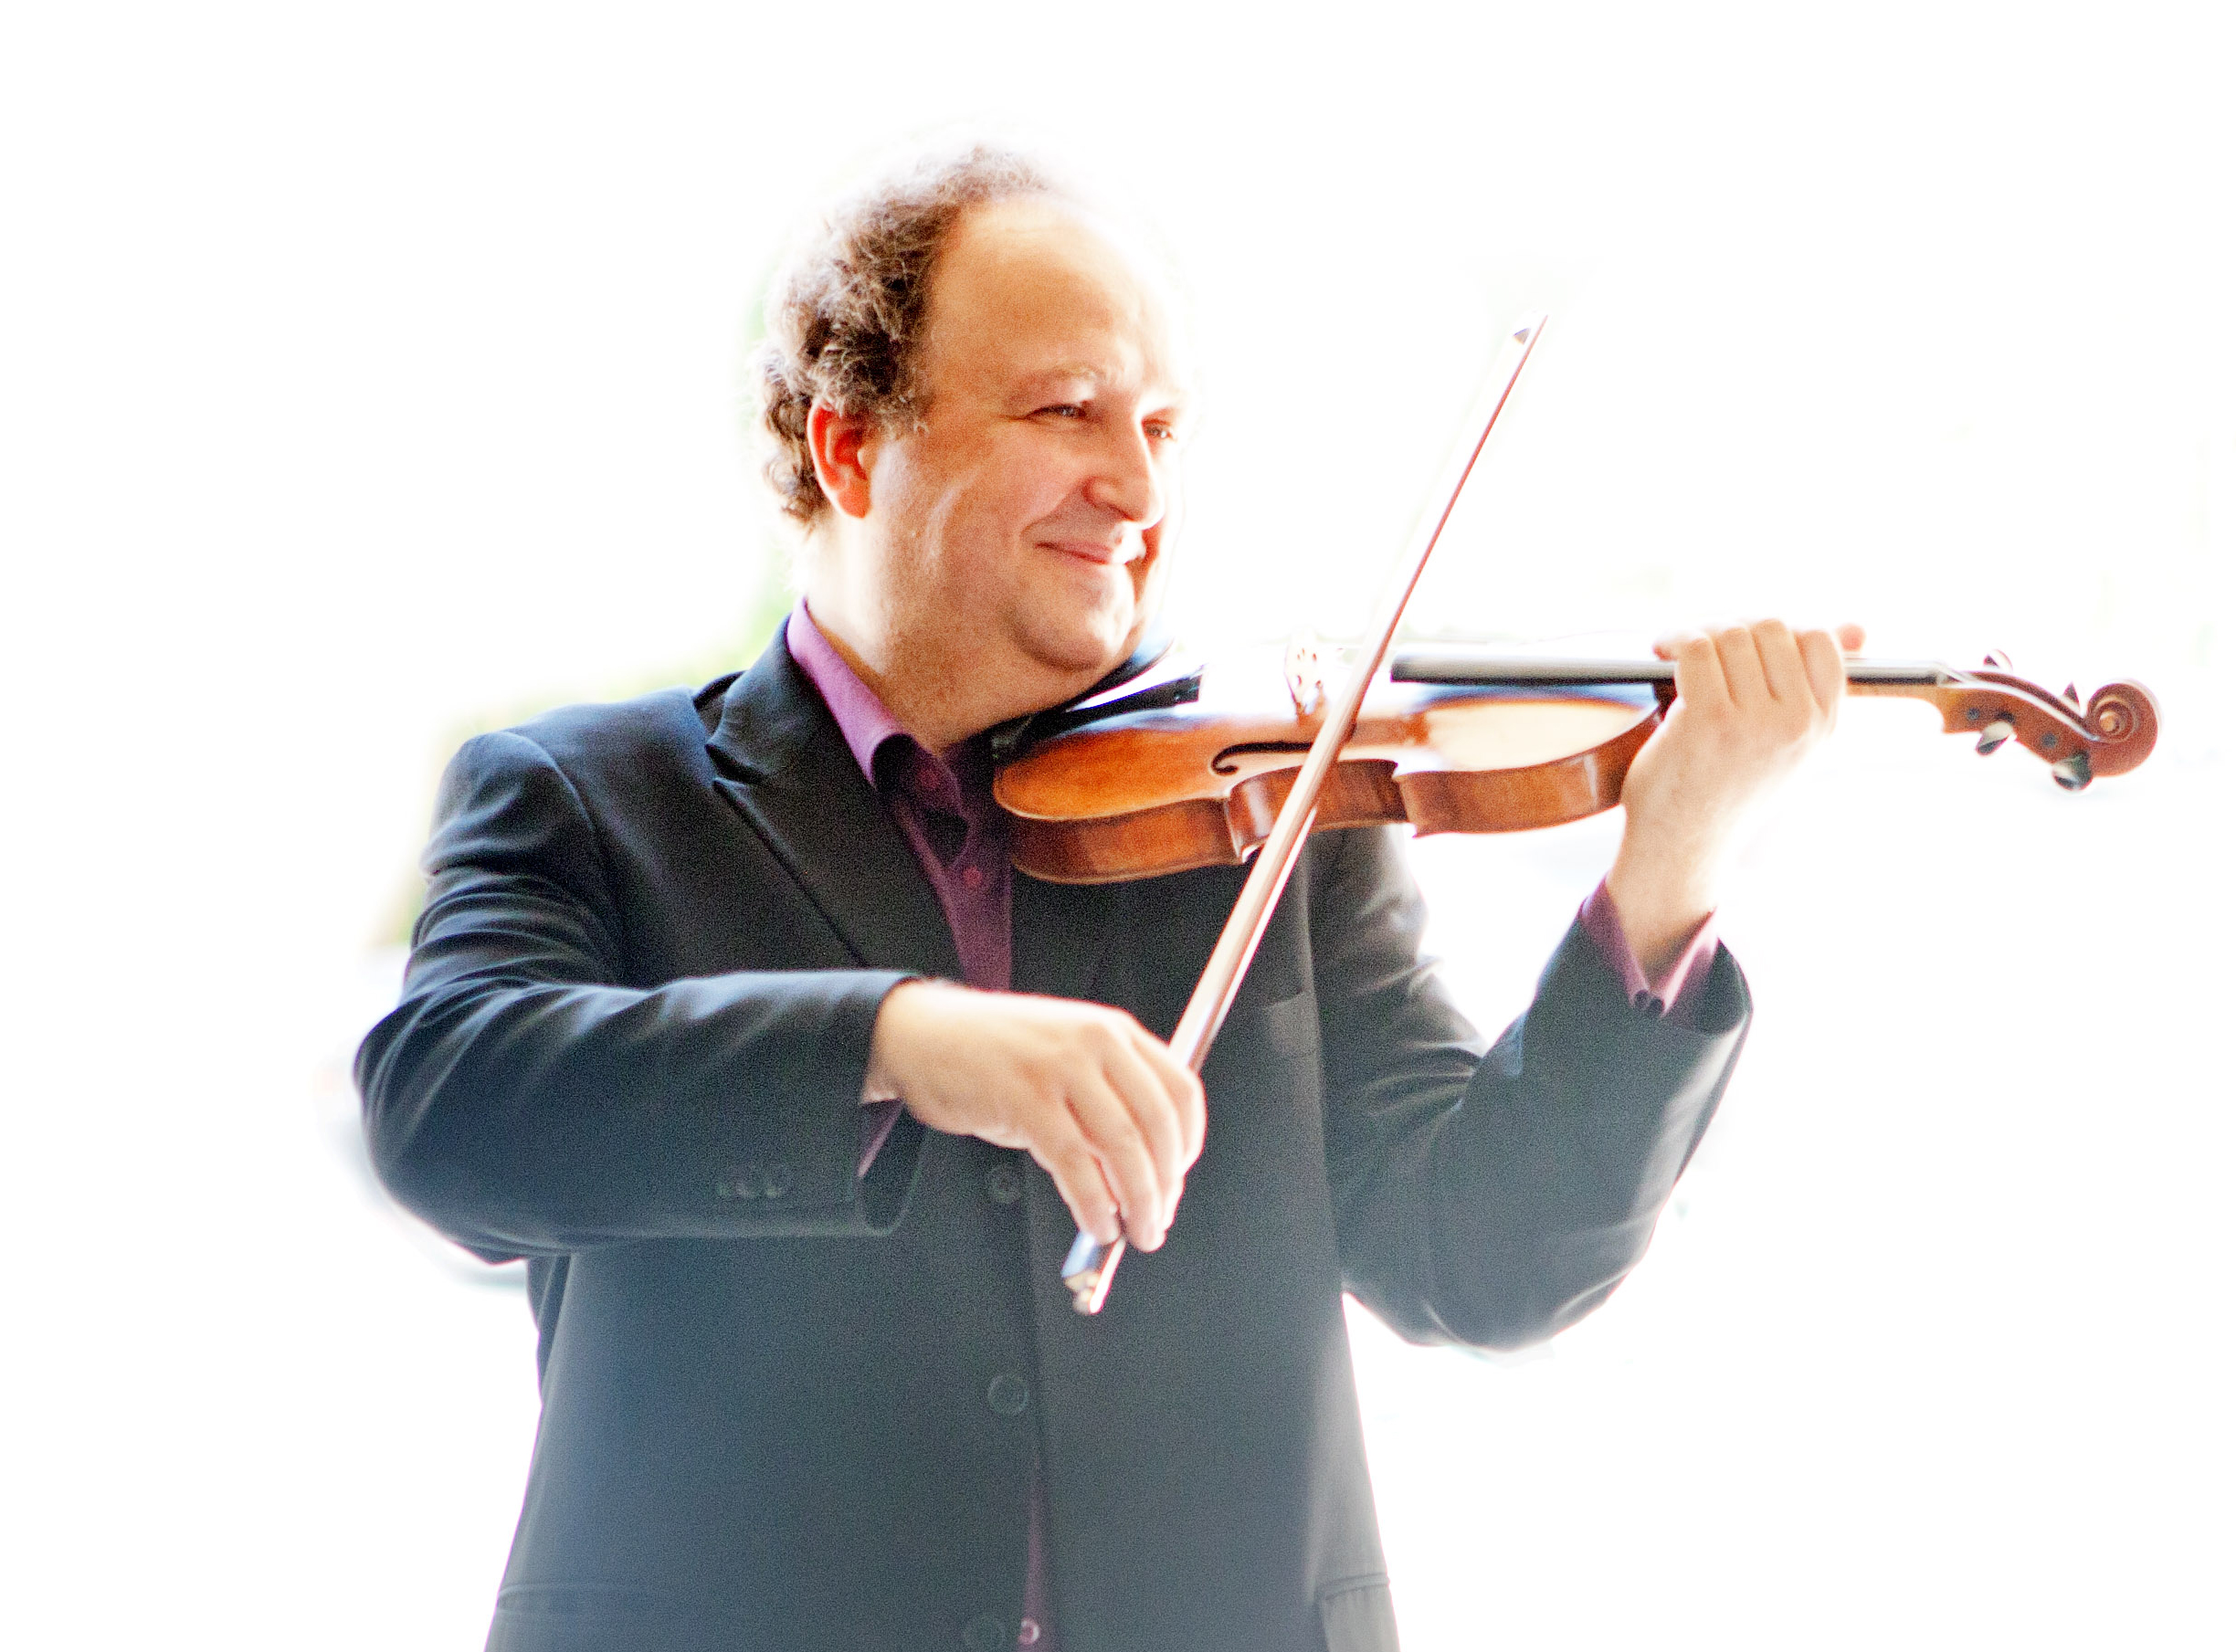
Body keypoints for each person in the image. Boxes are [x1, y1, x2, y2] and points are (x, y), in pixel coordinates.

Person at [356, 147, 1856, 1652]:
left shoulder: (1270, 811)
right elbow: (446, 1111)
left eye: (1162, 426)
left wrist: (1668, 872)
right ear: (849, 448)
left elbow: (1486, 1254)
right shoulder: (587, 797)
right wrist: (902, 1042)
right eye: (1068, 409)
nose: (1137, 489)